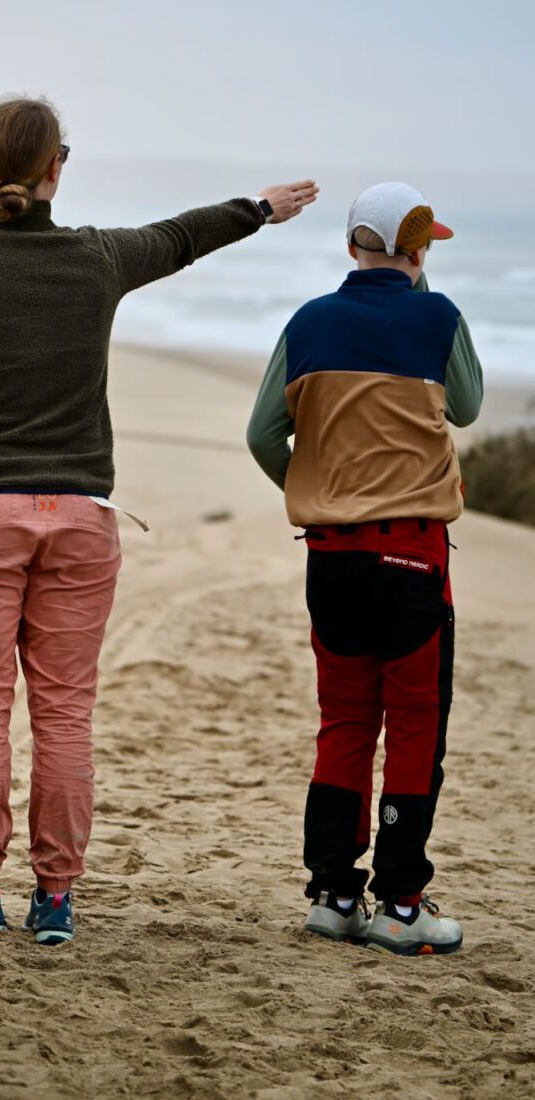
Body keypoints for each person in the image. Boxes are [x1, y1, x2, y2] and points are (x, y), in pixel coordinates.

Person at [0, 95, 319, 944]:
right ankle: (55, 900)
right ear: (58, 166)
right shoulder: (99, 258)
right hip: (80, 518)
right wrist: (261, 209)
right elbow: (181, 235)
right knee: (64, 713)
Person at [246, 181, 483, 955]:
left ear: (352, 246)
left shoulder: (310, 321)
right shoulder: (437, 315)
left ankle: (334, 893)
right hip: (412, 555)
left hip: (332, 556)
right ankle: (403, 904)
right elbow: (471, 404)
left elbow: (261, 435)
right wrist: (426, 289)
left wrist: (318, 494)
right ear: (417, 250)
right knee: (415, 726)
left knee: (345, 720)